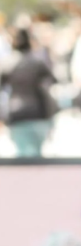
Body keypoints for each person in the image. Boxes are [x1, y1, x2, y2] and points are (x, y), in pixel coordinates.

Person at [0, 27, 56, 157]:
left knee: (24, 154)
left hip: (19, 112)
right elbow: (52, 80)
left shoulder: (8, 63)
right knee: (34, 154)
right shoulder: (37, 63)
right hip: (37, 112)